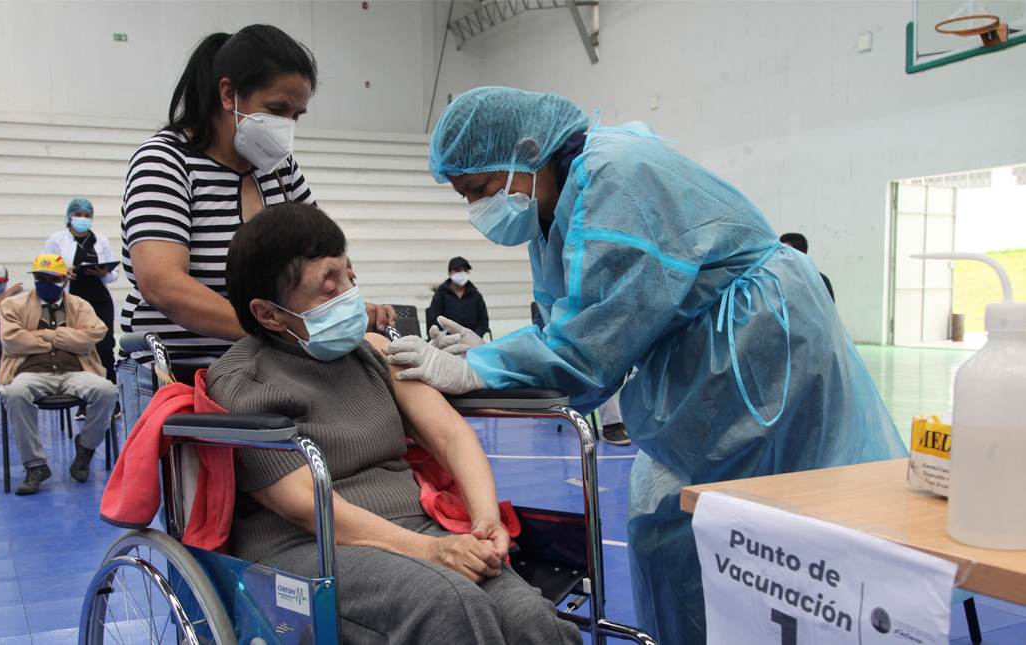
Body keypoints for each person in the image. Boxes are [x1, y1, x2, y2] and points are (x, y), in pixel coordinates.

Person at [383, 87, 907, 644]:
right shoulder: (555, 204)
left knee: (781, 528)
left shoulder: (615, 180)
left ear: (528, 150)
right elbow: (569, 318)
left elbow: (592, 344)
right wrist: (490, 352)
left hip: (757, 351)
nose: (476, 210)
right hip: (700, 360)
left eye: (482, 189)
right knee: (672, 523)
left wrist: (480, 368)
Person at [207, 203, 581, 645]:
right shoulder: (242, 379)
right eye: (329, 291)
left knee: (530, 620)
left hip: (413, 525)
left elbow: (449, 434)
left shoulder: (375, 354)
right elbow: (301, 501)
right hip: (306, 547)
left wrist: (484, 521)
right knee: (448, 606)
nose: (350, 295)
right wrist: (432, 549)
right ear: (268, 314)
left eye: (350, 276)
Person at [118, 24, 394, 427]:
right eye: (277, 109)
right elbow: (161, 284)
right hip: (184, 374)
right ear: (229, 94)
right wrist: (286, 330)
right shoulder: (165, 161)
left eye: (295, 114)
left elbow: (327, 259)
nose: (287, 125)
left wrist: (341, 313)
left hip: (270, 369)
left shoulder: (280, 171)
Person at [0, 254, 118, 496]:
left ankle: (85, 448)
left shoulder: (80, 305)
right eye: (40, 277)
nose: (45, 282)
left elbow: (92, 338)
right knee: (14, 393)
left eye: (52, 278)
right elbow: (13, 341)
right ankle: (35, 466)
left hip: (74, 371)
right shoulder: (11, 305)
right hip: (31, 372)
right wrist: (68, 337)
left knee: (107, 390)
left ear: (64, 280)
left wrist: (45, 335)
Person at [45, 198, 121, 419]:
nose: (83, 219)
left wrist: (103, 273)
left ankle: (111, 401)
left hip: (98, 298)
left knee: (105, 348)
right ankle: (83, 402)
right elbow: (44, 267)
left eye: (87, 215)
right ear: (70, 216)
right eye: (79, 214)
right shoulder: (57, 240)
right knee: (78, 348)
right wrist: (61, 273)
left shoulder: (101, 241)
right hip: (72, 299)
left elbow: (113, 274)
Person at [531, 303, 629, 445]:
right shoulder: (547, 310)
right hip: (562, 358)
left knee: (610, 368)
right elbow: (542, 331)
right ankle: (612, 425)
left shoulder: (581, 306)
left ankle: (623, 422)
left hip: (585, 353)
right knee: (601, 376)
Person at [426, 256, 490, 339]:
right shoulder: (440, 295)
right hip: (447, 342)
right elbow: (435, 322)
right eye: (458, 270)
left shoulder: (475, 295)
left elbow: (483, 322)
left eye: (465, 271)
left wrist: (473, 337)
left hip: (473, 341)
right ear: (449, 273)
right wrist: (452, 338)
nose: (462, 274)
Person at [780, 232, 834, 301]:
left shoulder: (819, 281)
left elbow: (828, 310)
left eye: (784, 252)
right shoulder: (774, 280)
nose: (779, 257)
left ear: (801, 254)